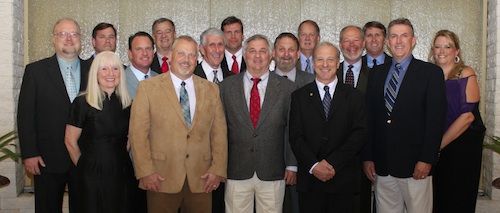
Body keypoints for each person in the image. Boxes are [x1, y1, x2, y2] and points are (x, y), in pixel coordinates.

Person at [129, 36, 227, 213]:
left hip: (202, 179)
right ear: (171, 55)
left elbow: (219, 133)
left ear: (197, 59)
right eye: (181, 53)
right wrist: (145, 172)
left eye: (191, 55)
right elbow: (137, 134)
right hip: (160, 178)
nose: (186, 59)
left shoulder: (211, 90)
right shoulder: (148, 88)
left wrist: (217, 169)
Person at [363, 18, 447, 213]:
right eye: (393, 36)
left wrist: (427, 160)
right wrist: (367, 157)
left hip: (416, 167)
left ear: (414, 40)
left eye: (404, 35)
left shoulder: (431, 73)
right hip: (382, 166)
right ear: (387, 42)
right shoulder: (376, 73)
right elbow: (370, 118)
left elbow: (435, 120)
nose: (398, 41)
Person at [17, 18, 90, 213]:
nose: (69, 38)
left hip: (85, 157)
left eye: (74, 34)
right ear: (53, 38)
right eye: (63, 34)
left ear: (80, 39)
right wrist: (29, 153)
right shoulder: (35, 71)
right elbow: (26, 115)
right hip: (47, 158)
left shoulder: (94, 71)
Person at [220, 34, 297, 213]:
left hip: (273, 170)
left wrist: (292, 165)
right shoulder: (226, 87)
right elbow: (219, 131)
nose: (257, 56)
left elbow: (292, 130)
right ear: (245, 55)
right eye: (252, 51)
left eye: (263, 51)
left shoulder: (287, 89)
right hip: (236, 170)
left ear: (270, 55)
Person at [289, 41, 366, 213]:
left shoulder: (354, 97)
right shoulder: (299, 96)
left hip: (342, 178)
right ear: (313, 63)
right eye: (320, 59)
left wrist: (331, 163)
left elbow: (359, 134)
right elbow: (295, 136)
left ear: (338, 63)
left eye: (330, 59)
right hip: (310, 180)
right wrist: (314, 165)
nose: (325, 65)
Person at [64, 51, 135, 213]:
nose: (110, 74)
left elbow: (130, 138)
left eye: (115, 69)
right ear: (95, 73)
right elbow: (70, 141)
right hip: (90, 175)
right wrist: (85, 167)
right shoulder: (82, 103)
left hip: (121, 173)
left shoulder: (127, 104)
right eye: (104, 69)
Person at [428, 29, 485, 212]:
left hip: (461, 147)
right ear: (432, 50)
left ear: (457, 51)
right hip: (437, 145)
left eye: (448, 46)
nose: (442, 51)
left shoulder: (466, 73)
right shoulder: (430, 75)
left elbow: (468, 116)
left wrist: (438, 146)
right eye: (438, 46)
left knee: (457, 197)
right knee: (437, 197)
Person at [272, 32, 314, 213]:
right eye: (281, 49)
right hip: (268, 165)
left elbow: (313, 128)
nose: (286, 54)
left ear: (298, 54)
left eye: (291, 50)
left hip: (304, 164)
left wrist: (295, 163)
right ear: (273, 53)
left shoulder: (311, 82)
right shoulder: (261, 81)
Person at [337, 25, 371, 213]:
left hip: (363, 158)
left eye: (356, 40)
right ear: (340, 44)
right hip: (333, 157)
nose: (352, 45)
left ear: (364, 43)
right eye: (347, 40)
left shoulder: (376, 77)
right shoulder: (329, 73)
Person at [126, 31, 158, 99]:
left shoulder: (161, 80)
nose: (145, 53)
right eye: (139, 49)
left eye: (148, 49)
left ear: (153, 52)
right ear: (130, 54)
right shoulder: (120, 81)